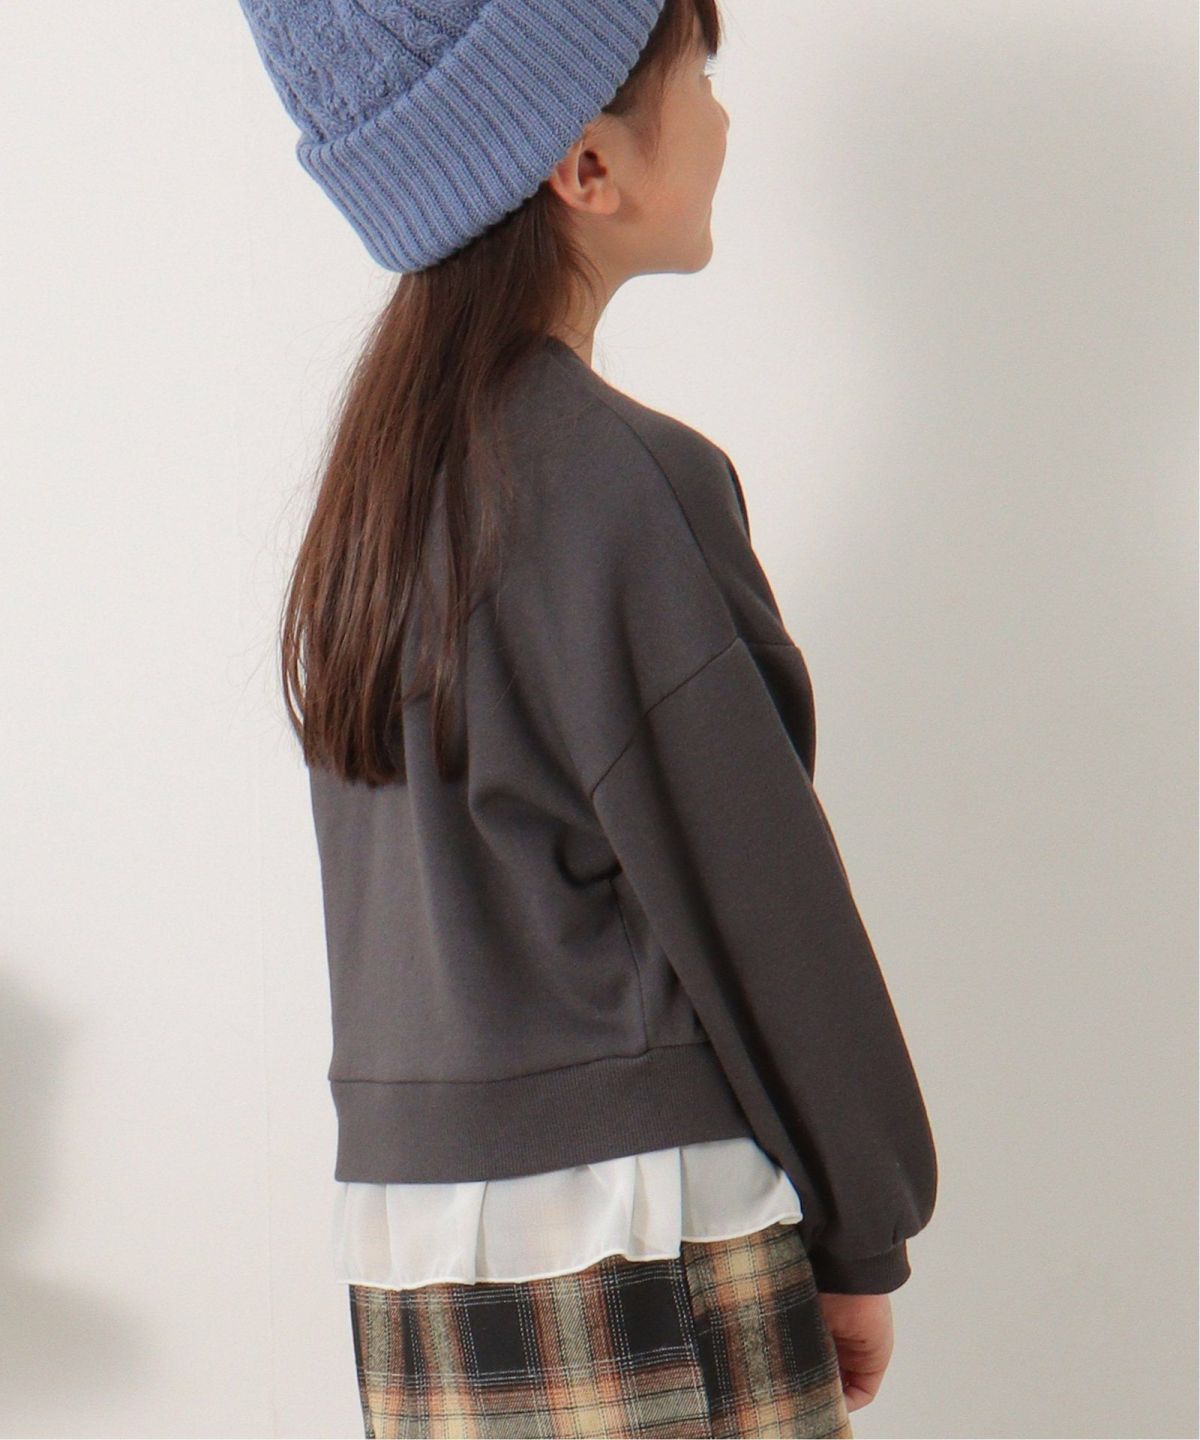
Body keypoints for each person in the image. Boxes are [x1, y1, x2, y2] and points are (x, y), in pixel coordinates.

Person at [236, 1, 939, 1435]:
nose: (724, 119)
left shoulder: (371, 505)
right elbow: (756, 903)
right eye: (699, 75)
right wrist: (863, 1225)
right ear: (588, 165)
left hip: (419, 1256)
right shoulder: (617, 484)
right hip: (643, 1243)